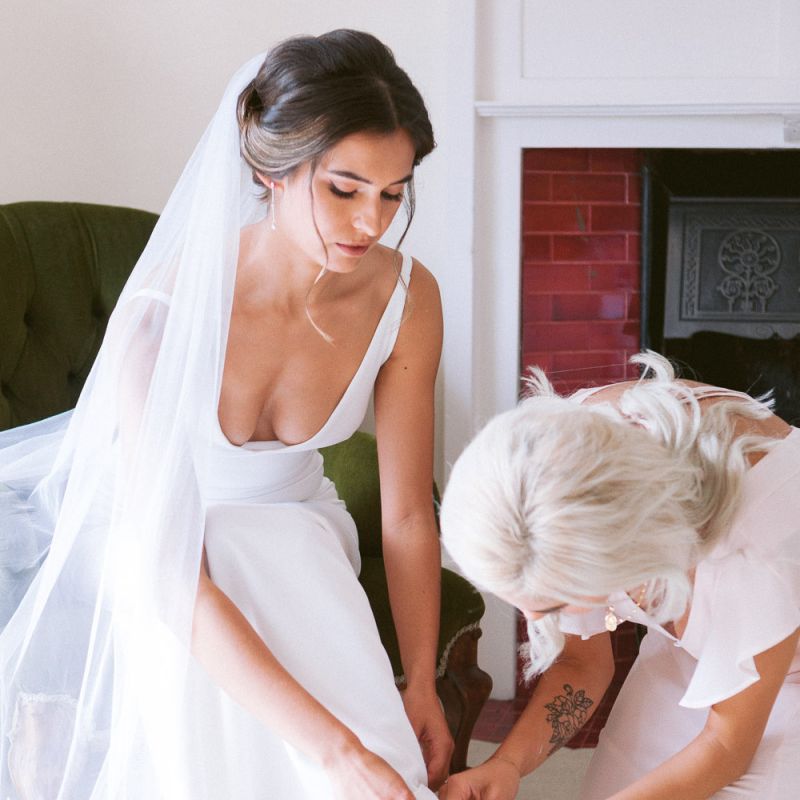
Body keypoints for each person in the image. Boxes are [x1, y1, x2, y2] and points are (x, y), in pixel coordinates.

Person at [0, 30, 452, 799]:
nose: (371, 223)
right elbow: (172, 572)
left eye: (393, 192)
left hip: (298, 536)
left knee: (385, 770)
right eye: (344, 189)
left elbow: (408, 513)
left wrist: (420, 682)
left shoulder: (406, 298)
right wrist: (335, 750)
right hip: (162, 557)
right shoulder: (162, 316)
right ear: (268, 170)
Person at [438, 352, 800, 799]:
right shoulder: (562, 465)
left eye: (550, 603)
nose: (533, 620)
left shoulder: (753, 553)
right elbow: (582, 663)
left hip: (786, 683)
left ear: (619, 551)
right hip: (682, 655)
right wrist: (508, 763)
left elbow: (727, 746)